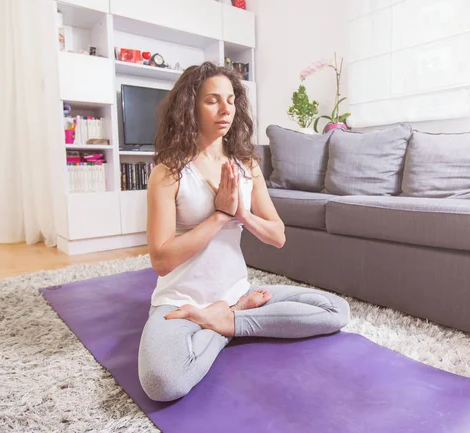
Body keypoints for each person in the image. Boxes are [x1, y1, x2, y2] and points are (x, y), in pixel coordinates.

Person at [137, 61, 351, 402]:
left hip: (238, 294)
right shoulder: (168, 172)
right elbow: (161, 260)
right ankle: (223, 322)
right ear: (189, 106)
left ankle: (228, 318)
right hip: (181, 302)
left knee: (335, 310)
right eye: (212, 100)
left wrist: (242, 214)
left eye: (231, 100)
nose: (226, 109)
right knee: (163, 382)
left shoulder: (247, 165)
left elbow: (277, 236)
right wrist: (220, 217)